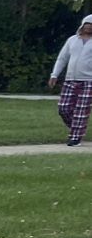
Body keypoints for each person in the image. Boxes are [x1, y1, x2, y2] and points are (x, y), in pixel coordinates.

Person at [46, 15, 92, 146]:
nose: (89, 27)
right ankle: (77, 127)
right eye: (87, 25)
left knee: (81, 109)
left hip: (88, 81)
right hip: (70, 79)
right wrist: (54, 74)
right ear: (82, 25)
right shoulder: (72, 40)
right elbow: (62, 58)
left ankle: (75, 137)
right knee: (63, 108)